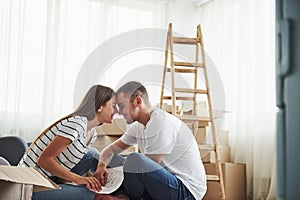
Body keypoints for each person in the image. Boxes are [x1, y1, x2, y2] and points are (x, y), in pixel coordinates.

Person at [95, 81, 207, 200]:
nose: (119, 112)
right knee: (109, 159)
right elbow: (110, 151)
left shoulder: (160, 122)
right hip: (166, 181)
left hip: (186, 190)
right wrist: (102, 165)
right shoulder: (138, 127)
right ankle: (116, 195)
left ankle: (123, 197)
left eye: (122, 106)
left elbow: (147, 167)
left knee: (134, 160)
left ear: (138, 101)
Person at [18, 84, 118, 200]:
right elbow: (44, 161)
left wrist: (100, 166)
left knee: (92, 156)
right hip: (29, 185)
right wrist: (78, 179)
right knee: (88, 194)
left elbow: (63, 165)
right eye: (113, 106)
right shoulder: (76, 124)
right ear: (100, 107)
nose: (116, 111)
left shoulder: (92, 133)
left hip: (50, 179)